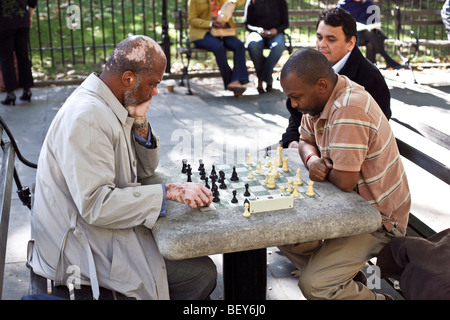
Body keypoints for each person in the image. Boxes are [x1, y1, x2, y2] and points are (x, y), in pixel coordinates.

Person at [29, 35, 217, 300]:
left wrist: (140, 122)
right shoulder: (90, 116)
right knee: (201, 273)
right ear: (129, 79)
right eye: (153, 84)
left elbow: (146, 170)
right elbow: (97, 205)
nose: (155, 92)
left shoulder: (110, 101)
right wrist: (169, 191)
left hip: (89, 228)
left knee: (188, 255)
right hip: (78, 248)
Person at [278, 47, 411, 300]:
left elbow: (345, 181)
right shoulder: (319, 101)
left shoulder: (348, 109)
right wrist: (313, 158)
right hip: (347, 207)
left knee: (315, 286)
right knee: (282, 232)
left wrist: (322, 168)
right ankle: (345, 278)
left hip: (378, 218)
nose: (294, 105)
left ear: (320, 85)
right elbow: (303, 139)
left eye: (296, 97)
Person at [281, 8, 391, 148]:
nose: (322, 45)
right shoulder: (314, 65)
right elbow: (299, 113)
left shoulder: (371, 79)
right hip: (309, 147)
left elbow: (370, 135)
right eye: (319, 37)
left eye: (331, 39)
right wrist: (292, 141)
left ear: (351, 43)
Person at [189, 0, 249, 94]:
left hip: (223, 31)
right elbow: (192, 19)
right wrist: (210, 23)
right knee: (218, 47)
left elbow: (239, 2)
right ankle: (232, 82)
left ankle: (237, 80)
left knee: (239, 45)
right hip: (202, 33)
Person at [337, 0, 403, 69]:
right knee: (370, 37)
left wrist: (376, 24)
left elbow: (376, 21)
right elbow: (338, 21)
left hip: (365, 35)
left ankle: (370, 68)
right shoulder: (343, 4)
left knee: (370, 43)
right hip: (349, 35)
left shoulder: (368, 4)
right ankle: (387, 60)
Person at [244, 0, 288, 94]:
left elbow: (285, 23)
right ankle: (268, 78)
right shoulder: (252, 1)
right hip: (257, 33)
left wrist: (276, 30)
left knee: (278, 45)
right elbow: (247, 24)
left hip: (276, 33)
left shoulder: (281, 2)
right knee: (253, 44)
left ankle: (260, 79)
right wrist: (258, 30)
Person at [0, 0, 36, 105]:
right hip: (22, 21)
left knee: (6, 58)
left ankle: (10, 93)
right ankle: (27, 90)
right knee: (23, 55)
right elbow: (32, 2)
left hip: (4, 23)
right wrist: (30, 16)